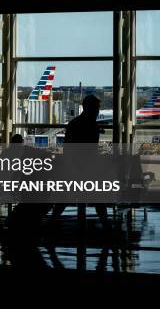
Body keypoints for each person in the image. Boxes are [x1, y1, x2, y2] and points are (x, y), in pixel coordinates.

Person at [49, 94, 109, 227]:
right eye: (96, 108)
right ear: (89, 108)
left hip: (77, 168)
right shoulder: (90, 125)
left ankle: (52, 223)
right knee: (98, 199)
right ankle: (105, 226)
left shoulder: (76, 123)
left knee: (65, 199)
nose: (98, 111)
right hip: (83, 168)